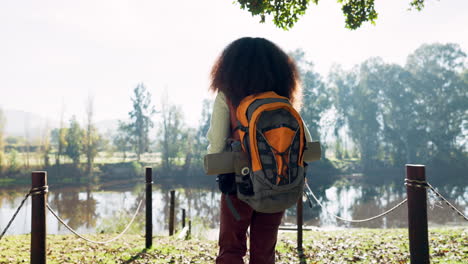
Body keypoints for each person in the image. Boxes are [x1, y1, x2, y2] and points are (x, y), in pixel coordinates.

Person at [207, 37, 312, 264]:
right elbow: (307, 143)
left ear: (229, 66)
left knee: (231, 249)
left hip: (238, 183)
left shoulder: (227, 95)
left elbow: (216, 145)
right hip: (278, 180)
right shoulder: (281, 99)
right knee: (264, 251)